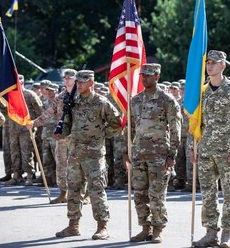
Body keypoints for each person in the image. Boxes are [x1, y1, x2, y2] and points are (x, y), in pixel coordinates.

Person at [54, 70, 121, 240]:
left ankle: (102, 227)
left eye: (83, 81)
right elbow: (68, 125)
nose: (80, 84)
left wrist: (103, 135)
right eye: (78, 82)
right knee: (74, 189)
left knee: (96, 190)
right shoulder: (73, 102)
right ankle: (73, 225)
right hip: (75, 153)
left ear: (91, 83)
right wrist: (61, 133)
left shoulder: (101, 102)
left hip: (94, 155)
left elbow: (117, 122)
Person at [192, 50, 230, 248]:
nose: (210, 65)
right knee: (207, 193)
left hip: (227, 151)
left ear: (223, 66)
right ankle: (210, 232)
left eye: (214, 63)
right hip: (206, 149)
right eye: (208, 62)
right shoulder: (202, 91)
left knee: (229, 193)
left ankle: (227, 234)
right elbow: (196, 122)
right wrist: (193, 146)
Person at [122, 63, 182, 243]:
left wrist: (172, 154)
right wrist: (125, 151)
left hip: (159, 156)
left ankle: (158, 229)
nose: (144, 78)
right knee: (139, 193)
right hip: (139, 154)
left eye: (148, 75)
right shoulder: (136, 100)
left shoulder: (167, 100)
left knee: (156, 194)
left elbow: (175, 129)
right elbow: (130, 128)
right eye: (143, 75)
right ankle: (145, 228)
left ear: (157, 76)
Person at [27, 69, 77, 203]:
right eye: (65, 77)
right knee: (60, 165)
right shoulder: (60, 97)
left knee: (79, 166)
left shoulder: (81, 96)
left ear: (76, 79)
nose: (66, 79)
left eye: (70, 77)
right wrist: (34, 123)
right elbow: (48, 114)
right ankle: (63, 193)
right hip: (62, 137)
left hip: (79, 138)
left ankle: (84, 194)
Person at [6, 75, 43, 185]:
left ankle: (30, 176)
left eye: (19, 80)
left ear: (22, 82)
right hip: (13, 129)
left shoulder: (30, 94)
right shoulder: (10, 95)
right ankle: (17, 175)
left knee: (27, 152)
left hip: (26, 129)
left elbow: (39, 111)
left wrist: (34, 124)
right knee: (14, 153)